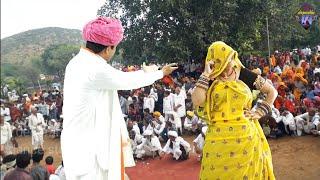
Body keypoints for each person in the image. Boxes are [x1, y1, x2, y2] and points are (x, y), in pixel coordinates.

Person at [61, 17, 177, 180]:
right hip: (91, 151)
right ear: (109, 48)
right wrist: (160, 72)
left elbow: (118, 77)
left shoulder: (76, 63)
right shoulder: (94, 68)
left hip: (80, 144)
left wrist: (147, 72)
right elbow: (125, 80)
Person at [192, 41, 277, 179]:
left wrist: (260, 112)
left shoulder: (243, 74)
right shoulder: (210, 77)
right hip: (218, 141)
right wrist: (206, 75)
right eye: (227, 58)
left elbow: (272, 92)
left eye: (231, 57)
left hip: (246, 139)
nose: (232, 61)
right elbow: (197, 101)